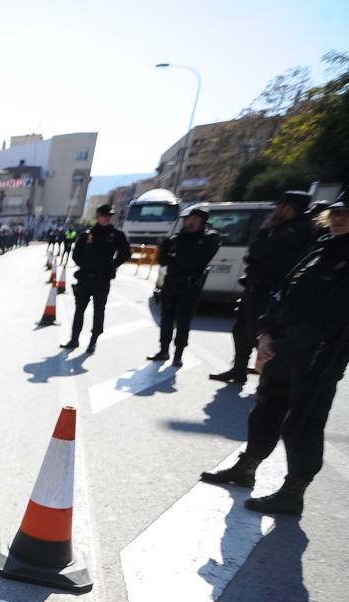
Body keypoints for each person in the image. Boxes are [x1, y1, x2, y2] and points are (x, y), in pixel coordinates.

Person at [200, 194, 349, 516]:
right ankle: (246, 468)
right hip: (280, 349)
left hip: (318, 358)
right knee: (265, 411)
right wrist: (266, 333)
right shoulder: (320, 249)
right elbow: (282, 291)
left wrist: (278, 343)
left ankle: (293, 493)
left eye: (346, 214)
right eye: (336, 212)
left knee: (302, 426)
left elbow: (329, 317)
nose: (339, 218)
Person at [211, 190, 314, 384]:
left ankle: (268, 379)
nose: (276, 210)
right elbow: (252, 254)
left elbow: (261, 252)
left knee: (260, 334)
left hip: (269, 291)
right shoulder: (281, 227)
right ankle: (238, 370)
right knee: (240, 330)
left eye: (280, 206)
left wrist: (264, 231)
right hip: (254, 287)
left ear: (289, 208)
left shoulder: (297, 231)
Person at [148, 206, 222, 367]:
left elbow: (197, 261)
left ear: (199, 220)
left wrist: (176, 254)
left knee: (183, 321)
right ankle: (163, 350)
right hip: (171, 284)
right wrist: (164, 248)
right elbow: (163, 261)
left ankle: (178, 354)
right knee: (166, 319)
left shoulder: (209, 238)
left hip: (189, 287)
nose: (186, 221)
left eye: (190, 218)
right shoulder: (177, 238)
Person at [62, 204, 131, 352]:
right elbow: (76, 255)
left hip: (102, 280)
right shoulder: (86, 235)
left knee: (99, 310)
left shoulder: (116, 235)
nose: (107, 218)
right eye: (104, 215)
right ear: (97, 216)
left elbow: (125, 253)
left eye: (110, 215)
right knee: (79, 310)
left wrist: (112, 266)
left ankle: (93, 341)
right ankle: (74, 339)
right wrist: (85, 266)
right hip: (85, 278)